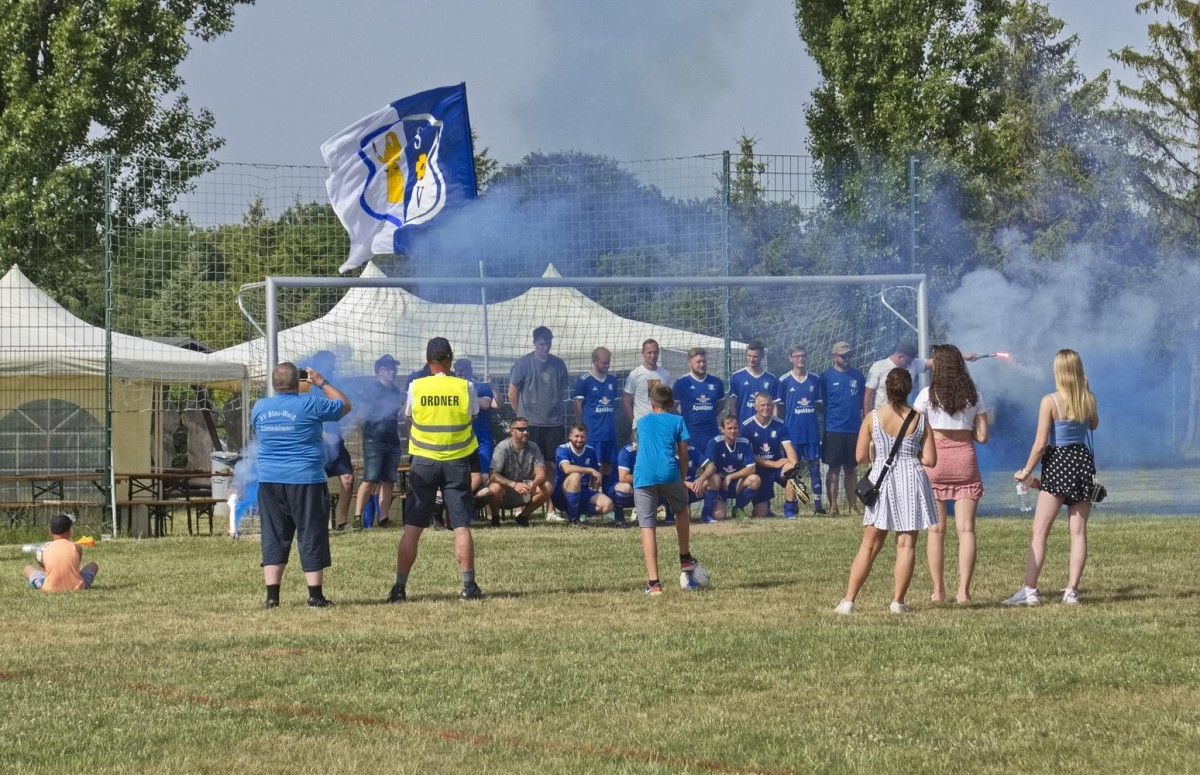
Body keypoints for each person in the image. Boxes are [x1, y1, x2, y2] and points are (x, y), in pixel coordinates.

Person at [835, 368, 937, 615]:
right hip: (911, 478)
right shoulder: (920, 419)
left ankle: (848, 601)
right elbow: (931, 460)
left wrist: (876, 450)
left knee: (869, 545)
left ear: (887, 389)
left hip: (882, 479)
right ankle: (897, 601)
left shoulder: (873, 417)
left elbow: (859, 456)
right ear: (908, 389)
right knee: (906, 544)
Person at [388, 337, 483, 603]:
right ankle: (468, 586)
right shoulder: (466, 386)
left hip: (423, 462)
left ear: (428, 361)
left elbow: (409, 416)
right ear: (450, 360)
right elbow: (472, 415)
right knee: (461, 526)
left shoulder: (416, 387)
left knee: (412, 527)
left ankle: (399, 588)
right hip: (456, 461)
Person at [1004, 348, 1100, 607]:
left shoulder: (1050, 401)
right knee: (1078, 532)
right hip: (1081, 462)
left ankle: (1030, 590)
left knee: (1040, 531)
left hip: (1058, 463)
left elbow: (1040, 444)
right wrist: (1087, 392)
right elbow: (1093, 426)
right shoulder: (1087, 399)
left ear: (1058, 371)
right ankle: (1071, 591)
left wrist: (1026, 471)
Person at [253, 361, 351, 608]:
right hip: (306, 478)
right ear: (299, 383)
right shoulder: (310, 403)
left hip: (269, 480)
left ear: (274, 385)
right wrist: (320, 382)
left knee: (274, 535)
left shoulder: (260, 407)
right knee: (311, 533)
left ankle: (272, 597)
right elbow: (344, 405)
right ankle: (315, 595)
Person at [914, 344, 989, 604]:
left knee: (936, 530)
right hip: (964, 459)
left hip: (934, 461)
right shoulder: (974, 395)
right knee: (966, 529)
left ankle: (938, 590)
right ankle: (964, 592)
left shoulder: (926, 395)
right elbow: (982, 436)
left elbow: (914, 430)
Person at [633, 384, 702, 595]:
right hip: (669, 471)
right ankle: (684, 558)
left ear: (651, 403)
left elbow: (640, 446)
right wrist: (681, 478)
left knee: (647, 525)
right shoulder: (677, 420)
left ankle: (654, 584)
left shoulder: (641, 423)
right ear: (672, 404)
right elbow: (684, 453)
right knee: (681, 509)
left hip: (643, 474)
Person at [508, 326, 570, 517]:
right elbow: (512, 392)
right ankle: (520, 508)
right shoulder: (523, 364)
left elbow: (561, 392)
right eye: (542, 343)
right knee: (526, 466)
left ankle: (550, 510)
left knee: (551, 466)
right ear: (534, 343)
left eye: (548, 343)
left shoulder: (559, 365)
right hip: (530, 424)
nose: (545, 347)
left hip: (553, 424)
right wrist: (521, 419)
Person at [307, 351, 355, 531]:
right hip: (316, 441)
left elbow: (345, 406)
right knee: (315, 483)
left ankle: (342, 523)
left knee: (348, 478)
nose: (333, 367)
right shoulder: (307, 386)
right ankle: (316, 523)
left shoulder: (335, 384)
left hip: (336, 441)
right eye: (330, 364)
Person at [354, 354, 404, 528]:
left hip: (392, 440)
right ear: (379, 371)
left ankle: (383, 518)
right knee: (370, 479)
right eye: (389, 368)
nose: (393, 372)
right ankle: (357, 518)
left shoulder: (395, 391)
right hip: (374, 440)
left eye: (394, 369)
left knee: (389, 480)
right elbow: (360, 417)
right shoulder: (371, 390)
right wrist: (365, 438)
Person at [864, 341, 979, 413]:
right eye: (908, 361)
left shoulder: (913, 363)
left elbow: (938, 360)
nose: (910, 364)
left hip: (904, 414)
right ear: (900, 357)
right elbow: (868, 394)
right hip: (882, 414)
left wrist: (964, 357)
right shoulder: (879, 367)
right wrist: (867, 417)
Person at [778, 345, 825, 515]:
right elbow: (780, 408)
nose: (800, 359)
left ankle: (818, 506)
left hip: (811, 431)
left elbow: (819, 405)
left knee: (814, 467)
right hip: (792, 433)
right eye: (797, 356)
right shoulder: (784, 380)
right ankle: (793, 504)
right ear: (790, 358)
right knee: (793, 469)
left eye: (803, 356)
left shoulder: (815, 379)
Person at [820, 341, 866, 515]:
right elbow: (821, 402)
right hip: (833, 429)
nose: (847, 358)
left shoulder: (858, 377)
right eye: (843, 356)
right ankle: (833, 507)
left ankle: (853, 506)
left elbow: (862, 401)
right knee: (833, 469)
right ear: (834, 357)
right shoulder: (825, 377)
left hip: (853, 429)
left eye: (849, 355)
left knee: (850, 469)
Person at [741, 392, 799, 518]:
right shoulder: (746, 426)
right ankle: (765, 506)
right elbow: (749, 455)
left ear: (772, 406)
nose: (766, 408)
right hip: (760, 470)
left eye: (769, 405)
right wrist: (772, 464)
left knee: (792, 470)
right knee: (760, 514)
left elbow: (789, 448)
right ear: (756, 407)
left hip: (778, 467)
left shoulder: (780, 424)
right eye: (763, 405)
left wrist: (795, 465)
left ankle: (789, 509)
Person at [487, 417, 552, 527]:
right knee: (494, 488)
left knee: (547, 486)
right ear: (512, 431)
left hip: (526, 488)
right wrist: (514, 485)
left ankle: (523, 517)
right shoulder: (502, 447)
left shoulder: (534, 447)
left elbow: (541, 473)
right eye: (521, 429)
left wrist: (534, 483)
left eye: (527, 429)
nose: (525, 432)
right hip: (505, 491)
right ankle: (495, 517)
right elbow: (493, 475)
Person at [696, 414, 760, 520]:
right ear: (722, 430)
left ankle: (738, 508)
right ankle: (706, 512)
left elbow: (751, 468)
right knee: (719, 516)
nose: (733, 431)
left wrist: (730, 477)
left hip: (735, 482)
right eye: (729, 428)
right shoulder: (714, 443)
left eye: (735, 428)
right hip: (720, 484)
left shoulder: (744, 442)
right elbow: (708, 468)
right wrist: (722, 480)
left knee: (755, 479)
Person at [574, 346, 621, 488]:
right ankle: (591, 500)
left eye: (608, 362)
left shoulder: (612, 379)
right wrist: (582, 427)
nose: (607, 365)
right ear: (594, 361)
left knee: (608, 466)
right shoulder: (584, 380)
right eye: (604, 363)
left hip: (609, 432)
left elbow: (615, 403)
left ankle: (607, 498)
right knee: (593, 467)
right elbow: (577, 406)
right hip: (593, 432)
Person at [551, 423, 614, 526]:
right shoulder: (562, 449)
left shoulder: (591, 451)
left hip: (583, 490)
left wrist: (595, 487)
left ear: (586, 437)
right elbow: (567, 469)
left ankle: (580, 513)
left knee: (608, 505)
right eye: (576, 436)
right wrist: (589, 470)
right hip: (561, 494)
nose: (579, 439)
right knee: (575, 476)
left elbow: (596, 474)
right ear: (570, 436)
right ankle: (573, 519)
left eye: (582, 437)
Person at [455, 357, 497, 503]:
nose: (461, 375)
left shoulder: (481, 386)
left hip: (482, 438)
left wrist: (466, 392)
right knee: (462, 475)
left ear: (470, 371)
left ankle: (469, 505)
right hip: (460, 438)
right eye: (459, 373)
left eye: (464, 372)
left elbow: (486, 404)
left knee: (484, 476)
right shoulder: (451, 388)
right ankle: (464, 507)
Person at [23, 513, 99, 592]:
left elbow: (46, 569)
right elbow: (77, 567)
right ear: (70, 531)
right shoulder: (76, 547)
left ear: (50, 531)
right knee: (93, 565)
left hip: (50, 587)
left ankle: (40, 584)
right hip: (77, 586)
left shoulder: (44, 549)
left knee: (27, 569)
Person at [673, 346, 725, 445]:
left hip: (712, 432)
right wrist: (684, 421)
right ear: (690, 363)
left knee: (713, 460)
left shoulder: (716, 382)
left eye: (704, 361)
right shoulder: (682, 382)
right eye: (698, 362)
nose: (702, 364)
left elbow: (721, 404)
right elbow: (672, 407)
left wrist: (708, 416)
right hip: (691, 433)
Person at [729, 340, 780, 424]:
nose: (751, 359)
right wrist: (735, 423)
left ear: (762, 356)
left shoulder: (771, 379)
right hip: (743, 426)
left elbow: (774, 405)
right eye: (749, 356)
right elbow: (733, 404)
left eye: (755, 356)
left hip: (765, 426)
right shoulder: (737, 376)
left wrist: (775, 424)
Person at [624, 338, 671, 425]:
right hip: (642, 423)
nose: (653, 355)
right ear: (643, 353)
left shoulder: (665, 374)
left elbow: (669, 399)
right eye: (649, 352)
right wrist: (634, 423)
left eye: (655, 352)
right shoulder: (635, 374)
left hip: (661, 423)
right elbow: (626, 400)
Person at [606, 440, 638, 528]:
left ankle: (669, 515)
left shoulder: (652, 449)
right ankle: (619, 515)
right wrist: (647, 480)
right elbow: (624, 477)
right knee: (626, 488)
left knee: (665, 483)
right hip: (619, 487)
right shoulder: (627, 451)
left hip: (640, 488)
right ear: (633, 436)